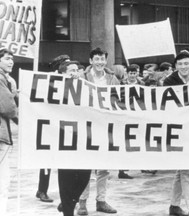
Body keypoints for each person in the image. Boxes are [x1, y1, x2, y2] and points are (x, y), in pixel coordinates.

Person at [77, 48, 118, 215]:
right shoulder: (82, 77)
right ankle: (82, 202)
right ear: (91, 60)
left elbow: (118, 99)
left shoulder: (112, 79)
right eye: (97, 59)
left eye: (103, 59)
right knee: (86, 165)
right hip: (86, 126)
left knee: (104, 167)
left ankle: (101, 200)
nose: (100, 62)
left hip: (105, 126)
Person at [163, 51, 189, 216]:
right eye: (180, 64)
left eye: (186, 63)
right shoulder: (169, 81)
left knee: (182, 170)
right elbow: (166, 105)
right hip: (176, 129)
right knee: (187, 170)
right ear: (176, 66)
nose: (184, 67)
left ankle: (174, 206)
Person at [56, 60, 91, 216]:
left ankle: (69, 201)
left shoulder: (84, 88)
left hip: (81, 137)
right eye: (71, 70)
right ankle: (68, 211)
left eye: (77, 70)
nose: (75, 73)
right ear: (63, 73)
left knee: (84, 174)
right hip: (63, 138)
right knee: (66, 177)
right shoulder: (55, 89)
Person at [36, 54, 71, 203]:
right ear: (59, 66)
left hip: (65, 124)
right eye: (67, 64)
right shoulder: (49, 79)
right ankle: (42, 190)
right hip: (50, 123)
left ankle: (66, 192)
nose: (70, 66)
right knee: (47, 159)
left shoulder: (72, 79)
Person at [0, 47, 18, 216]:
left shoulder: (2, 78)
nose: (11, 61)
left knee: (1, 183)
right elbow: (8, 108)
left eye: (12, 58)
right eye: (7, 58)